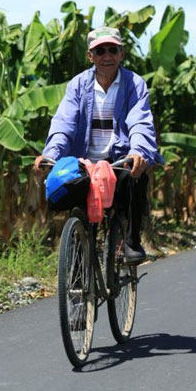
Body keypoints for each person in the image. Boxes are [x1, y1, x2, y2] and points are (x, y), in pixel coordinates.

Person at [34, 26, 163, 263]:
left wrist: (138, 152)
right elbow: (64, 122)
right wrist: (50, 154)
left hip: (119, 159)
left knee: (135, 179)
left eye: (112, 50)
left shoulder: (134, 84)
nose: (106, 56)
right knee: (71, 192)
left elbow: (139, 121)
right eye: (100, 50)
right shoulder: (78, 85)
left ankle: (131, 241)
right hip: (84, 161)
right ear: (90, 56)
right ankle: (79, 251)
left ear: (121, 54)